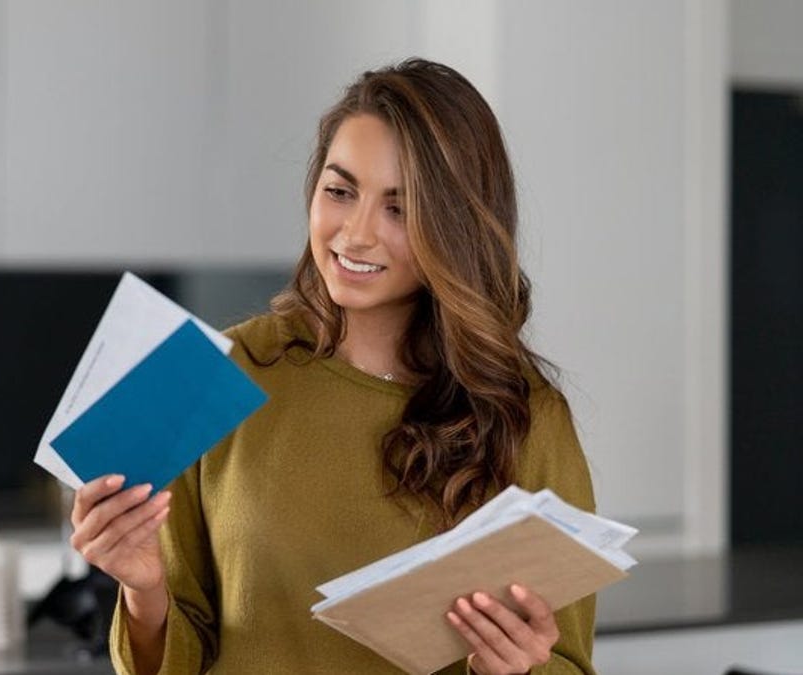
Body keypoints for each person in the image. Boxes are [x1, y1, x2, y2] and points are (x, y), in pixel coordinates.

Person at [70, 58, 598, 674]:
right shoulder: (215, 372)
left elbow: (568, 662)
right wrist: (142, 588)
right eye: (340, 191)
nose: (356, 233)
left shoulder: (524, 414)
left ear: (456, 227)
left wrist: (513, 667)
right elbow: (176, 658)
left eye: (399, 209)